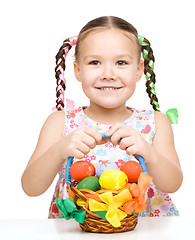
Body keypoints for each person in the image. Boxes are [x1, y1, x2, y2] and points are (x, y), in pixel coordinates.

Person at [21, 16, 183, 218]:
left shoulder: (155, 122)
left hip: (145, 232)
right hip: (78, 232)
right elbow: (31, 187)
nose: (108, 73)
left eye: (121, 62)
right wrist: (58, 150)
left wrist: (149, 154)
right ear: (78, 71)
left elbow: (173, 184)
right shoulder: (60, 123)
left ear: (139, 70)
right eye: (95, 62)